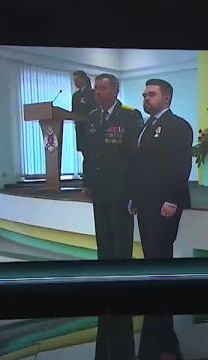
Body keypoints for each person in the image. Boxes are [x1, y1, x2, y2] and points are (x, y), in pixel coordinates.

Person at [129, 78, 193, 259]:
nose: (146, 99)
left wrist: (172, 200)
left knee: (161, 250)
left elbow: (181, 165)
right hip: (145, 200)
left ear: (166, 98)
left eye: (151, 95)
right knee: (149, 249)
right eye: (144, 95)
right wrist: (135, 196)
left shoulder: (178, 125)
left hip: (165, 200)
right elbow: (140, 164)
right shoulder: (146, 125)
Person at [83, 73, 144, 260]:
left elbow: (136, 155)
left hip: (121, 186)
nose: (97, 92)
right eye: (96, 88)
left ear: (116, 91)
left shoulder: (129, 115)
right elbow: (89, 152)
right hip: (99, 186)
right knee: (102, 235)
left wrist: (135, 189)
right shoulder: (93, 116)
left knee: (121, 236)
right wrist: (86, 182)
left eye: (103, 88)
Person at [72, 70, 96, 156]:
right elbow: (73, 112)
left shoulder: (92, 93)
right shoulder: (75, 95)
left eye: (77, 80)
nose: (75, 83)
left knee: (92, 154)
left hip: (90, 127)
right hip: (80, 128)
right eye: (74, 81)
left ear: (84, 80)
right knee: (85, 154)